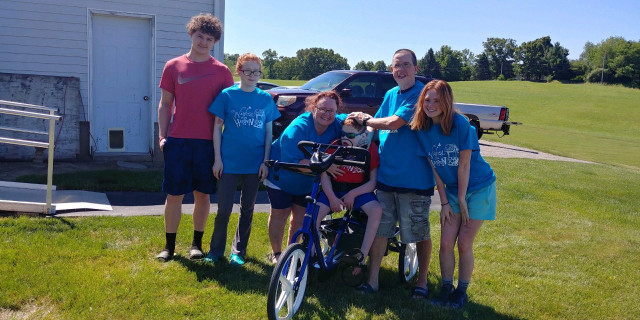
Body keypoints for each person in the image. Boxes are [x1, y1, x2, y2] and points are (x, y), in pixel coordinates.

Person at [349, 49, 435, 297]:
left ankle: (422, 282)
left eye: (406, 65)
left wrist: (364, 120)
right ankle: (373, 281)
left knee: (419, 232)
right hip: (386, 178)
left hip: (414, 179)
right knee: (381, 230)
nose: (401, 70)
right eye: (396, 65)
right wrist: (355, 136)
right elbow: (377, 126)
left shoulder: (420, 94)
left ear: (415, 69)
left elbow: (393, 122)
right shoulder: (390, 93)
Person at [410, 80, 497, 309]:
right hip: (451, 191)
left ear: (447, 101)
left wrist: (461, 199)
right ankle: (446, 287)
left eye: (436, 100)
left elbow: (465, 165)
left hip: (478, 187)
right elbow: (435, 168)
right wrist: (445, 202)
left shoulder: (460, 124)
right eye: (427, 100)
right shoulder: (422, 128)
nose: (430, 105)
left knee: (464, 244)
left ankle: (461, 292)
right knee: (446, 243)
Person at [156, 13, 234, 262]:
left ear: (215, 42)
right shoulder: (173, 66)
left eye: (209, 39)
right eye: (200, 36)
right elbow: (165, 104)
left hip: (208, 144)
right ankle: (169, 247)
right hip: (178, 140)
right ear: (191, 34)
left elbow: (228, 111)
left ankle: (196, 245)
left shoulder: (222, 72)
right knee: (174, 196)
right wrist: (162, 136)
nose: (203, 42)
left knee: (203, 195)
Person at [204, 53, 280, 266]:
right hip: (228, 162)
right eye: (248, 71)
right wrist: (217, 159)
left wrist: (265, 161)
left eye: (257, 71)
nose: (252, 75)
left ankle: (238, 251)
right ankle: (215, 251)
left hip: (254, 163)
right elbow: (217, 128)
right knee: (224, 209)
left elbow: (268, 133)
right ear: (239, 71)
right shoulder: (227, 96)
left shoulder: (265, 98)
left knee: (248, 208)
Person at [265, 91, 347, 264]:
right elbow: (292, 161)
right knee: (280, 215)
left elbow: (352, 118)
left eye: (331, 110)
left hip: (308, 182)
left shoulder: (336, 124)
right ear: (312, 108)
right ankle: (277, 253)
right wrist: (325, 165)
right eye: (322, 108)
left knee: (301, 219)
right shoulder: (298, 127)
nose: (327, 113)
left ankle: (291, 253)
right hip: (282, 176)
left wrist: (363, 119)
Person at [315, 117, 382, 272]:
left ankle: (362, 255)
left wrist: (353, 194)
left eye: (350, 136)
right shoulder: (334, 146)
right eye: (343, 134)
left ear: (363, 136)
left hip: (359, 190)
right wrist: (332, 198)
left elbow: (372, 183)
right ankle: (312, 251)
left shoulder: (370, 149)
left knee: (376, 210)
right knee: (315, 213)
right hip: (334, 189)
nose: (345, 138)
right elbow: (324, 175)